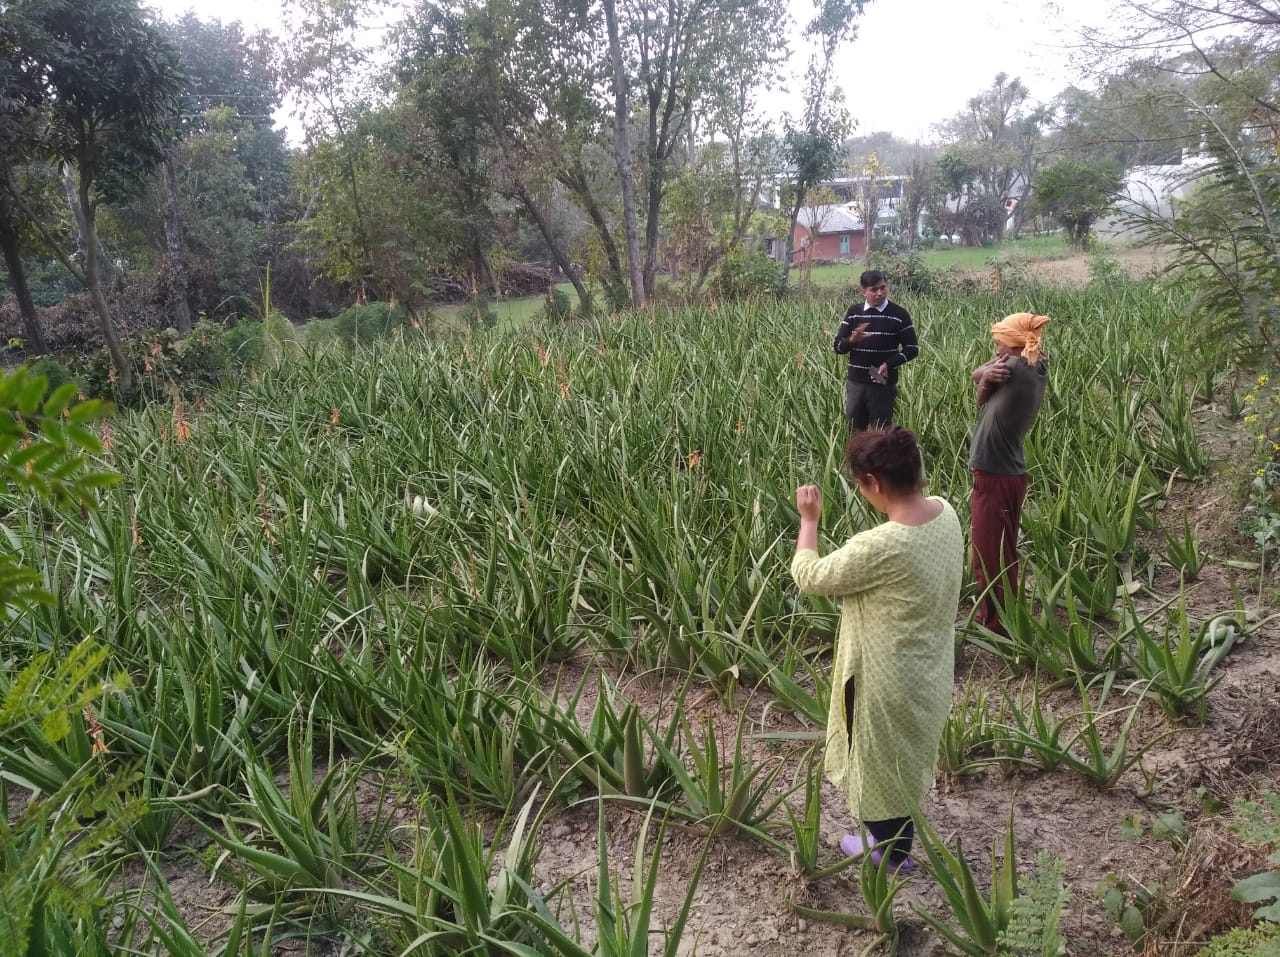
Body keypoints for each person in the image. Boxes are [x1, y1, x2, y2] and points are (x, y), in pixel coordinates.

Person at [790, 426, 962, 871]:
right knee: (907, 756)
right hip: (931, 667)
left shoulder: (880, 546)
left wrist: (809, 521)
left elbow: (810, 576)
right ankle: (891, 842)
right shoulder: (947, 513)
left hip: (883, 679)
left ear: (874, 484)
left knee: (876, 763)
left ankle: (890, 854)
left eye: (860, 484)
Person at [968, 312, 1050, 637]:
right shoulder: (1027, 361)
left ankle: (997, 624)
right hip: (1004, 472)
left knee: (989, 554)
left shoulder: (1015, 366)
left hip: (996, 474)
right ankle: (1000, 613)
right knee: (998, 549)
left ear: (1011, 343)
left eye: (998, 340)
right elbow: (981, 392)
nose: (995, 345)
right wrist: (986, 376)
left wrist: (983, 373)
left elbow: (977, 375)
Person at [833, 270, 919, 431]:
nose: (879, 293)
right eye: (874, 289)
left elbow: (912, 349)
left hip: (882, 384)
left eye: (883, 288)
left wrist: (889, 363)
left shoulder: (899, 315)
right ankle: (857, 457)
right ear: (863, 291)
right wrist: (852, 340)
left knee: (882, 431)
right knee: (855, 429)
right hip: (856, 383)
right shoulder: (854, 313)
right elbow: (838, 347)